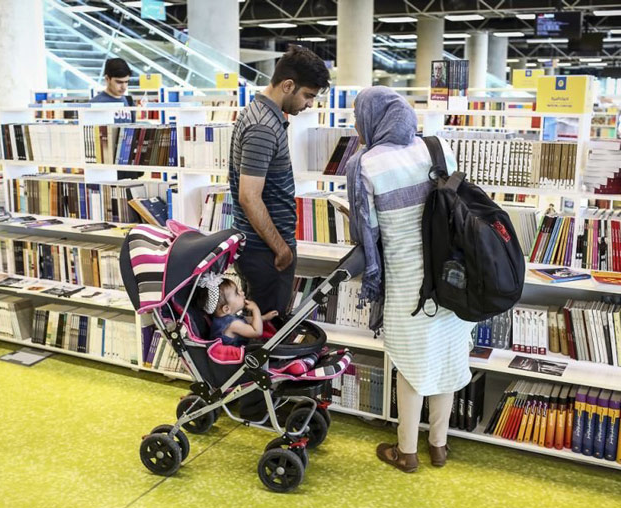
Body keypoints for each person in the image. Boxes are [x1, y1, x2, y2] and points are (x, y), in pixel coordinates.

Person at [345, 86, 474, 473]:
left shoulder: (364, 164)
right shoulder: (437, 147)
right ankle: (438, 446)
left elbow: (365, 230)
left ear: (373, 118)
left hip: (406, 281)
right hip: (451, 275)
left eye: (357, 116)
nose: (356, 124)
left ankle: (407, 452)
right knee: (446, 357)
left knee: (412, 365)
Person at [229, 45, 329, 421]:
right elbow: (249, 197)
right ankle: (257, 409)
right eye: (306, 95)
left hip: (264, 246)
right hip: (265, 250)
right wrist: (280, 248)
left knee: (266, 326)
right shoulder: (262, 127)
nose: (308, 104)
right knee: (267, 330)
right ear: (287, 85)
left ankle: (255, 402)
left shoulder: (263, 115)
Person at [196, 273, 277, 346]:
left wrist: (264, 318)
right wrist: (256, 309)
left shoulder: (223, 317)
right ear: (226, 308)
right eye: (237, 293)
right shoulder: (233, 325)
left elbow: (244, 319)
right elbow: (257, 332)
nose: (242, 292)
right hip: (238, 352)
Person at [90, 57, 134, 123]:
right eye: (119, 82)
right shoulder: (95, 104)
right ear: (107, 79)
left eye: (126, 82)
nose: (124, 87)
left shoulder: (129, 101)